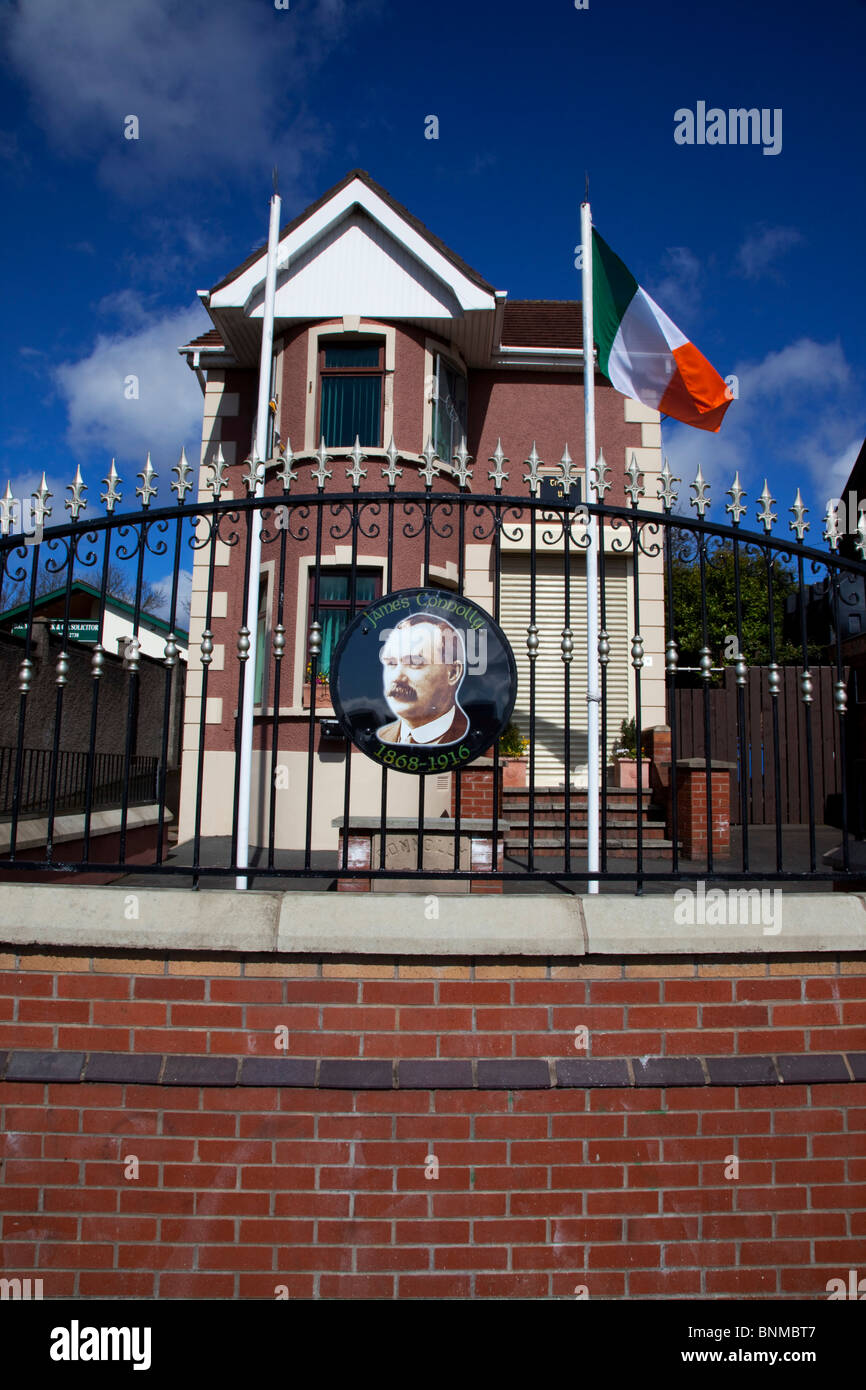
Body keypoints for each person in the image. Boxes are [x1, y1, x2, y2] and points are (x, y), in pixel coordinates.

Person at [376, 613, 469, 745]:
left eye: (414, 662)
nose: (397, 677)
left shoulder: (468, 737)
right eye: (391, 663)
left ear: (453, 673)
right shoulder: (383, 737)